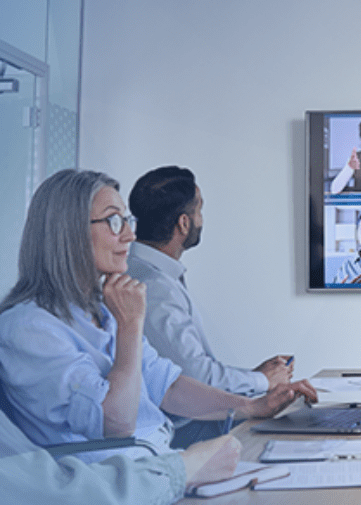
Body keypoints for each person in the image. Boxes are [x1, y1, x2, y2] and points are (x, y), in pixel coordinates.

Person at [0, 169, 317, 463]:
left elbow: (168, 387)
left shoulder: (99, 310)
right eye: (114, 222)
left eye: (126, 220)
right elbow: (117, 422)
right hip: (117, 484)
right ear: (68, 233)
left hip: (158, 467)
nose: (128, 235)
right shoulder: (29, 329)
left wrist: (252, 406)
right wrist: (130, 326)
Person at [126, 166, 296, 446]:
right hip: (179, 431)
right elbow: (195, 376)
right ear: (183, 223)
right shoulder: (154, 287)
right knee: (284, 426)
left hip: (185, 419)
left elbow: (190, 368)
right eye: (199, 211)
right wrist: (262, 382)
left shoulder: (152, 274)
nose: (201, 220)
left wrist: (255, 378)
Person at [1, 408, 241, 504]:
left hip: (138, 469)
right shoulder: (30, 326)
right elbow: (51, 492)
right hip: (110, 477)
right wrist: (184, 468)